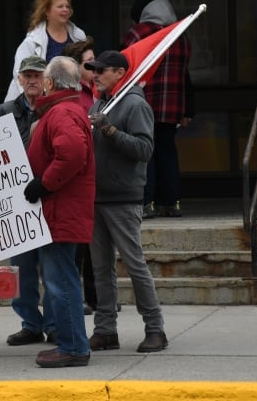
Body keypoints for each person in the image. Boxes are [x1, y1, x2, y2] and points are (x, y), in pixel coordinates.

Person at [85, 50, 168, 354]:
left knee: (134, 264)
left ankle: (155, 328)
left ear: (120, 73)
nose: (95, 75)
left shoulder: (134, 103)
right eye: (93, 71)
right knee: (100, 268)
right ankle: (105, 330)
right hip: (98, 196)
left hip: (123, 198)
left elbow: (145, 149)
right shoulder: (100, 103)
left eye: (101, 71)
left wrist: (109, 130)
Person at [23, 55, 95, 368]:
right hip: (61, 210)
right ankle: (73, 344)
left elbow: (73, 153)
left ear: (50, 83)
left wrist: (44, 184)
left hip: (60, 210)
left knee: (60, 280)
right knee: (63, 278)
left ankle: (73, 347)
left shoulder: (61, 112)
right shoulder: (66, 109)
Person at [0, 55, 56, 345]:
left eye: (37, 75)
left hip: (48, 196)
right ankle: (30, 323)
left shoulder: (54, 109)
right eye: (27, 75)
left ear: (47, 80)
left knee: (52, 268)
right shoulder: (3, 111)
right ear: (19, 79)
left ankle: (54, 325)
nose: (32, 80)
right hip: (15, 203)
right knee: (22, 269)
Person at [121, 0, 194, 219]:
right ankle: (171, 202)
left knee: (145, 154)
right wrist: (187, 109)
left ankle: (146, 203)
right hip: (171, 106)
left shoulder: (139, 33)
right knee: (167, 151)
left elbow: (123, 64)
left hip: (144, 103)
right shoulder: (180, 35)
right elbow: (185, 76)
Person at [62, 38, 98, 315]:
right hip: (76, 181)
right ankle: (80, 299)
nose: (95, 68)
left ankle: (95, 297)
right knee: (76, 249)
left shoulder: (98, 92)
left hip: (94, 178)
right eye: (89, 64)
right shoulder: (75, 98)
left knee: (92, 247)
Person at [4, 0, 87, 101]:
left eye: (67, 6)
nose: (65, 10)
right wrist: (36, 105)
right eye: (60, 6)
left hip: (71, 100)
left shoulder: (79, 36)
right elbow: (19, 76)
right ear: (47, 11)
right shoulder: (32, 41)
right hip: (36, 105)